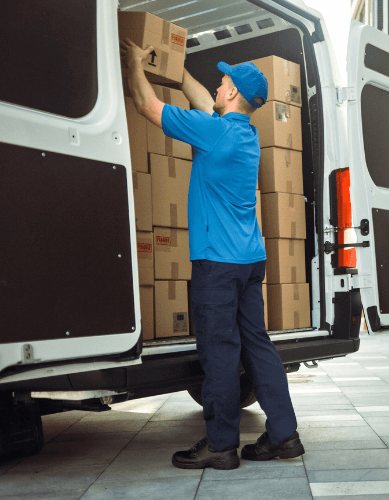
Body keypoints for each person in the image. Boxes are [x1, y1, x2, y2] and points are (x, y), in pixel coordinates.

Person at [120, 39, 304, 470]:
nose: (218, 87)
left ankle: (221, 445)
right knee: (258, 346)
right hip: (248, 260)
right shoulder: (243, 133)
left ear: (233, 94)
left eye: (223, 83)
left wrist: (134, 65)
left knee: (220, 352)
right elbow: (205, 103)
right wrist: (175, 68)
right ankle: (284, 435)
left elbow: (147, 105)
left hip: (217, 265)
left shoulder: (214, 132)